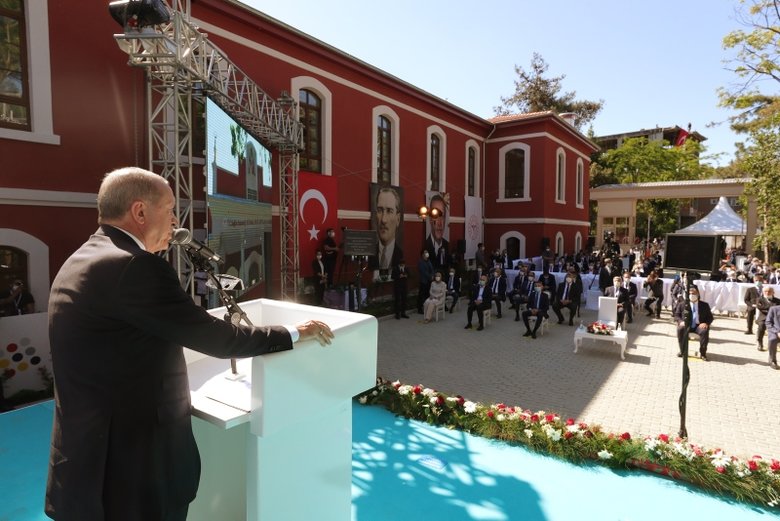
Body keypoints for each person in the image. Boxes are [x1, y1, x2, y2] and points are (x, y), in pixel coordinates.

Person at [45, 167, 335, 521]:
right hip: (133, 477)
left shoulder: (81, 258)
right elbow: (216, 337)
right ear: (139, 212)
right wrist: (293, 333)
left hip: (89, 467)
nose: (175, 223)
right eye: (169, 210)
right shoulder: (135, 267)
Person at [674, 286, 714, 361]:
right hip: (686, 325)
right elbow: (676, 315)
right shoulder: (682, 304)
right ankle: (682, 351)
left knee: (704, 331)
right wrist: (680, 321)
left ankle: (703, 353)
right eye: (690, 293)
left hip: (698, 325)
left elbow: (710, 317)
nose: (692, 295)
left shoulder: (704, 305)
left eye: (694, 293)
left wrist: (705, 323)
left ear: (698, 294)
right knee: (680, 329)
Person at [373, 187, 403, 270]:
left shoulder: (401, 255)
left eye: (389, 211)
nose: (383, 220)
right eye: (380, 210)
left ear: (398, 219)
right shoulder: (370, 255)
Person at [424, 193, 450, 271]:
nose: (439, 223)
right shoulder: (426, 245)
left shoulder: (447, 245)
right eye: (436, 216)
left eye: (442, 217)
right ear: (430, 219)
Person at [756, 285, 780, 351]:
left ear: (773, 292)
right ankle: (760, 342)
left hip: (774, 319)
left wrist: (768, 308)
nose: (767, 293)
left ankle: (777, 343)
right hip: (763, 318)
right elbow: (760, 308)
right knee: (761, 326)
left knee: (778, 327)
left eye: (769, 291)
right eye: (765, 291)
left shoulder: (778, 301)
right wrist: (772, 309)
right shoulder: (759, 299)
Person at [417, 249, 434, 314]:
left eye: (427, 252)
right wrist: (430, 277)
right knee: (422, 295)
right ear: (422, 254)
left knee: (428, 294)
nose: (427, 253)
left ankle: (427, 307)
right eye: (425, 252)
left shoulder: (429, 261)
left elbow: (432, 269)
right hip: (424, 281)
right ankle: (419, 308)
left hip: (429, 281)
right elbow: (423, 272)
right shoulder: (421, 262)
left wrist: (432, 275)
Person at [764, 302, 780, 369]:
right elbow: (768, 322)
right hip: (775, 331)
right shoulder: (774, 309)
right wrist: (777, 332)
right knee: (773, 339)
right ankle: (772, 359)